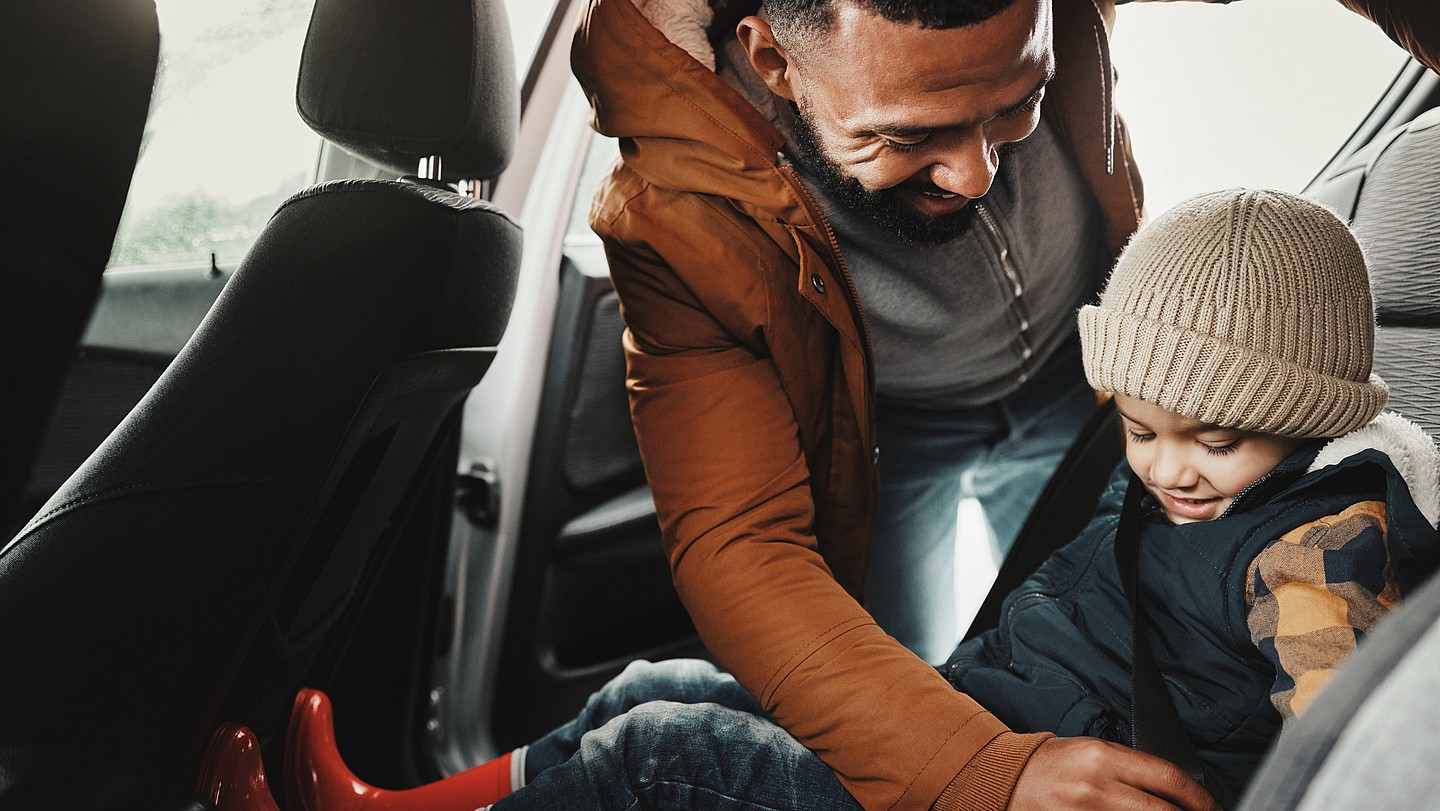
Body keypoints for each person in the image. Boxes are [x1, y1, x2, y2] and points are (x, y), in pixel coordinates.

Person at [248, 189, 1438, 811]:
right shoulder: (1206, 494)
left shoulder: (1318, 553)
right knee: (659, 685)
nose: (1170, 469)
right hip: (996, 723)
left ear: (1310, 417)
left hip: (1060, 779)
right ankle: (388, 805)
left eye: (1216, 442)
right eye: (1139, 430)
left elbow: (1349, 751)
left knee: (665, 754)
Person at [568, 0, 1440, 808]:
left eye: (1020, 104)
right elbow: (741, 544)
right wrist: (979, 767)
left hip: (1091, 389)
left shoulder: (1284, 526)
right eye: (909, 133)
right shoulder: (677, 209)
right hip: (891, 432)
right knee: (892, 687)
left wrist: (1143, 419)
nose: (977, 172)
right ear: (773, 61)